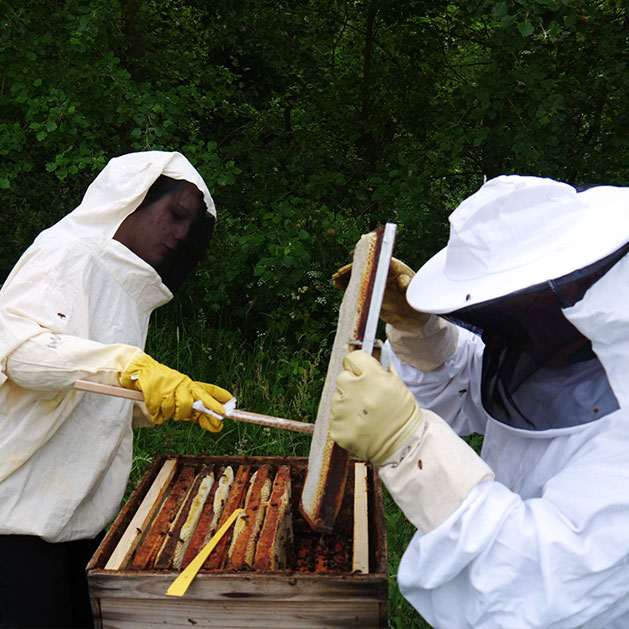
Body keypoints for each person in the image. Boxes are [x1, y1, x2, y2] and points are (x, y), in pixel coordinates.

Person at [329, 175, 629, 628]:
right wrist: (422, 335)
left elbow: (541, 596)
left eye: (511, 311)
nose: (508, 332)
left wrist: (411, 450)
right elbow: (481, 385)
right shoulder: (564, 345)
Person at [0, 151, 233, 628]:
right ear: (131, 199)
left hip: (78, 521)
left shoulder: (128, 290)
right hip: (17, 520)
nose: (181, 235)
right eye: (175, 214)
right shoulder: (66, 253)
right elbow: (19, 353)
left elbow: (87, 391)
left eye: (191, 226)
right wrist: (129, 366)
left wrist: (169, 402)